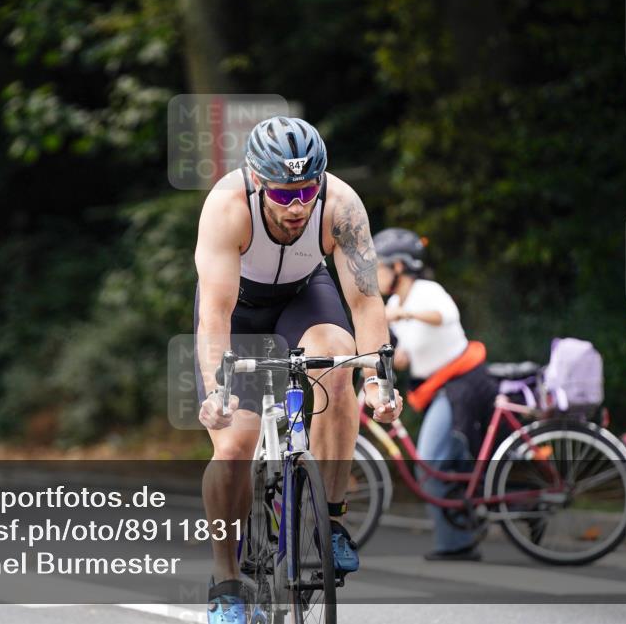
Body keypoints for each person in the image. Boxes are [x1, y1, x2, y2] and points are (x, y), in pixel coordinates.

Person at [194, 116, 402, 623]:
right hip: (240, 310)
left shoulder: (341, 205)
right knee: (234, 447)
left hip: (305, 295)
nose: (298, 206)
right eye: (285, 194)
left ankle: (330, 521)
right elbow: (215, 314)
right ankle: (226, 584)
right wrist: (217, 392)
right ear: (259, 180)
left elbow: (367, 301)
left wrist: (377, 381)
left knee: (337, 359)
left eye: (307, 191)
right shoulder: (227, 206)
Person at [374, 228, 497, 561]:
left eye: (380, 266)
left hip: (462, 383)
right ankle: (461, 533)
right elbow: (411, 349)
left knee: (430, 461)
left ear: (398, 266)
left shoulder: (426, 292)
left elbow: (447, 316)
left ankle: (458, 542)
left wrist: (405, 314)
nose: (376, 274)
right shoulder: (395, 303)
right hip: (438, 387)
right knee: (439, 464)